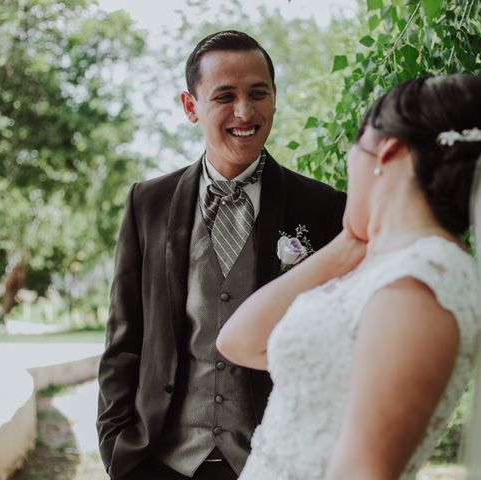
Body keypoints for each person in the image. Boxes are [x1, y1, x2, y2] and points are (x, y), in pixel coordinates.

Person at [217, 74, 481, 479]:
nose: (351, 163)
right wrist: (350, 243)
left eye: (355, 145)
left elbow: (364, 471)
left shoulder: (421, 282)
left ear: (388, 151)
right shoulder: (386, 267)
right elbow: (238, 341)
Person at [96, 30, 346, 480]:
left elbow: (334, 343)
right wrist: (117, 446)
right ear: (191, 106)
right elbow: (123, 342)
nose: (245, 112)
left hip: (274, 460)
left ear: (275, 98)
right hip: (161, 461)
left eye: (258, 94)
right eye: (225, 96)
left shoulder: (323, 207)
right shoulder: (147, 203)